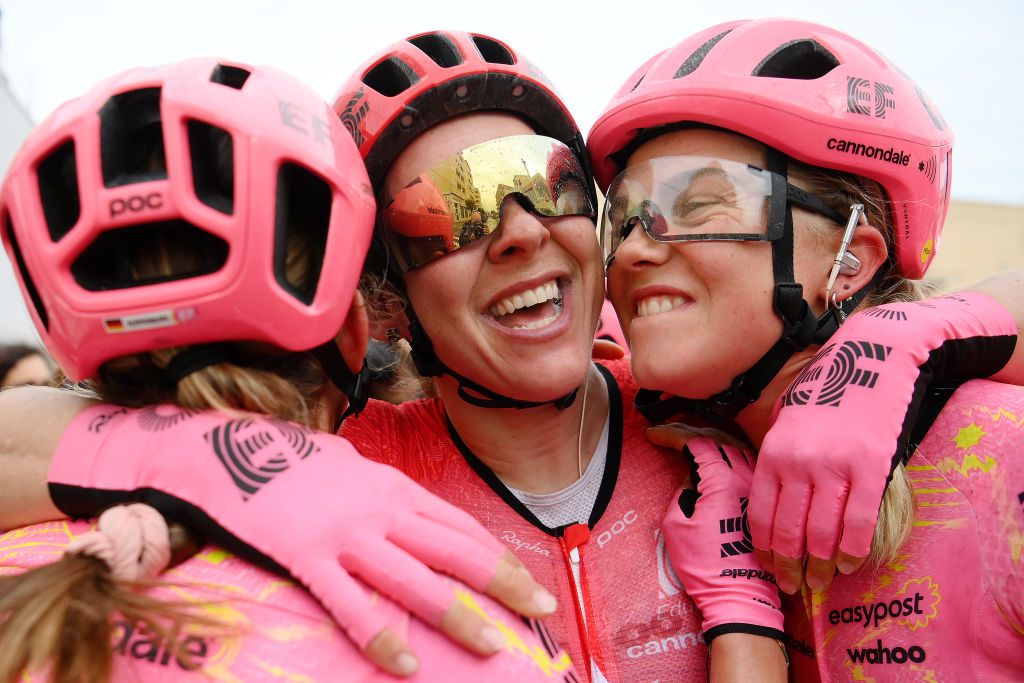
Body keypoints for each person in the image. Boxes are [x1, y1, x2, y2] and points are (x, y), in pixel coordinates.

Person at [1, 28, 1023, 683]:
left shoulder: (702, 415)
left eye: (550, 183)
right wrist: (222, 463)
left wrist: (906, 333)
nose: (520, 229)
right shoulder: (353, 462)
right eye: (451, 212)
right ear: (387, 296)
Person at [0, 57, 570, 682]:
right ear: (356, 331)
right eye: (447, 213)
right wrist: (241, 462)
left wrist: (198, 457)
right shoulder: (465, 619)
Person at [589, 18, 1023, 680]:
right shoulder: (666, 471)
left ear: (850, 259)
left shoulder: (999, 456)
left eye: (702, 204)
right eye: (624, 217)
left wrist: (908, 331)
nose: (637, 247)